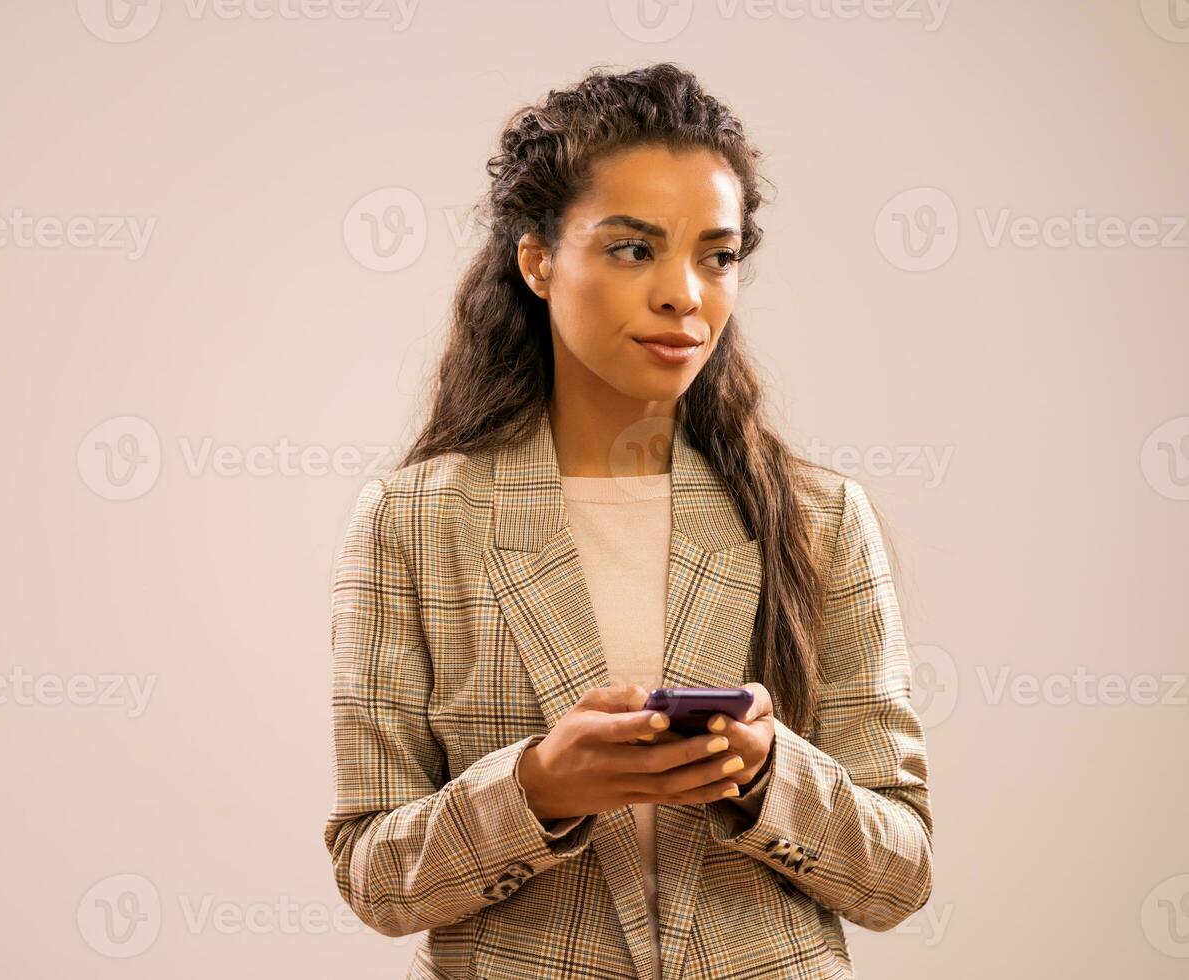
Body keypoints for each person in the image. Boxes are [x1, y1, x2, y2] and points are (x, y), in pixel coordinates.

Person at [324, 62, 933, 980]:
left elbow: (900, 875)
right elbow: (375, 876)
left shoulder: (818, 519)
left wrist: (770, 774)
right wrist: (537, 791)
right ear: (537, 259)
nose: (684, 294)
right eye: (633, 249)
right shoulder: (417, 522)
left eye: (716, 256)